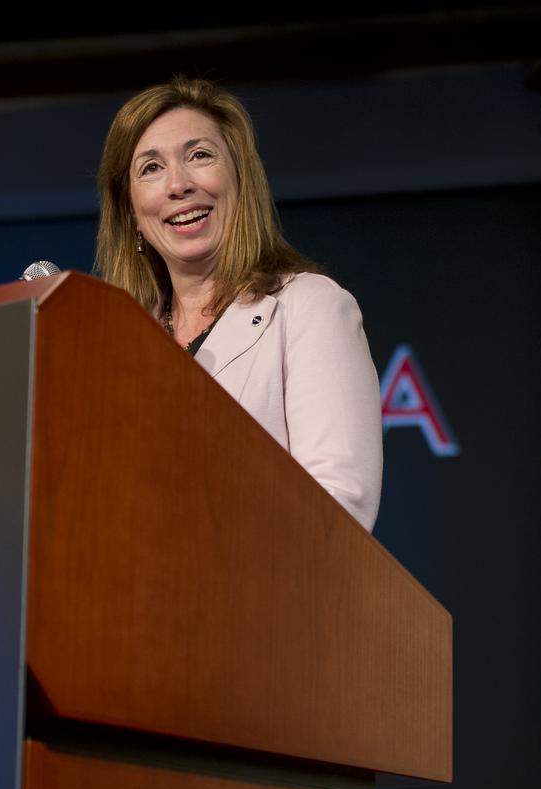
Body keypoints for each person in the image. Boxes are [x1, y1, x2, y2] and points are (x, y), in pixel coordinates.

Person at [95, 77, 382, 532]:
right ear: (130, 210)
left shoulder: (309, 308)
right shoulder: (116, 347)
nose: (178, 185)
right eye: (150, 168)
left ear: (239, 179)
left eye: (200, 156)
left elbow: (338, 514)